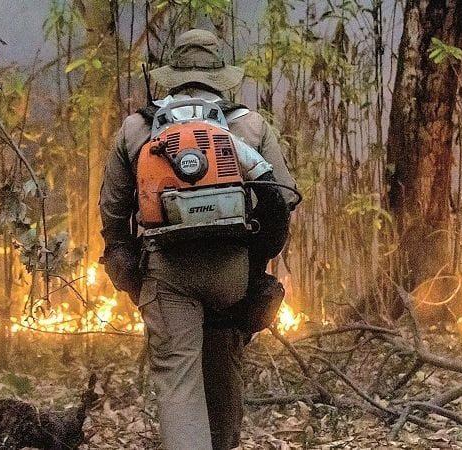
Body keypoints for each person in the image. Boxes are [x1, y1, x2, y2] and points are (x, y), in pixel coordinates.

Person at [100, 29, 298, 450]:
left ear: (172, 76)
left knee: (178, 377)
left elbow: (113, 214)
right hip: (232, 271)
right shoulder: (250, 124)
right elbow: (282, 199)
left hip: (168, 271)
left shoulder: (136, 128)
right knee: (222, 358)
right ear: (221, 76)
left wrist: (132, 275)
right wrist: (254, 265)